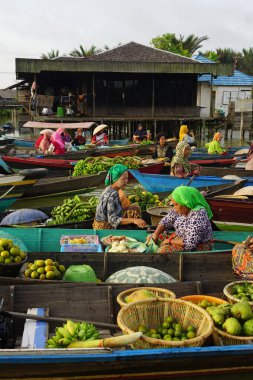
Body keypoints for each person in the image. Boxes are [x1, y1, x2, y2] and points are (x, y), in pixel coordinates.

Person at [147, 186, 213, 253]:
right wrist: (156, 234)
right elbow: (166, 221)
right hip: (179, 238)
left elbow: (190, 244)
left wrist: (169, 241)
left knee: (163, 251)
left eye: (176, 205)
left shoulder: (199, 214)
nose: (174, 208)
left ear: (185, 203)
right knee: (151, 237)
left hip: (195, 246)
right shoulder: (181, 209)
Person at [93, 164, 147, 230]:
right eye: (123, 179)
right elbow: (113, 220)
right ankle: (134, 231)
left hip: (101, 223)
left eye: (127, 178)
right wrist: (133, 220)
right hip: (105, 227)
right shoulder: (113, 195)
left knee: (135, 207)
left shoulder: (109, 188)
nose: (126, 181)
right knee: (135, 212)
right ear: (115, 179)